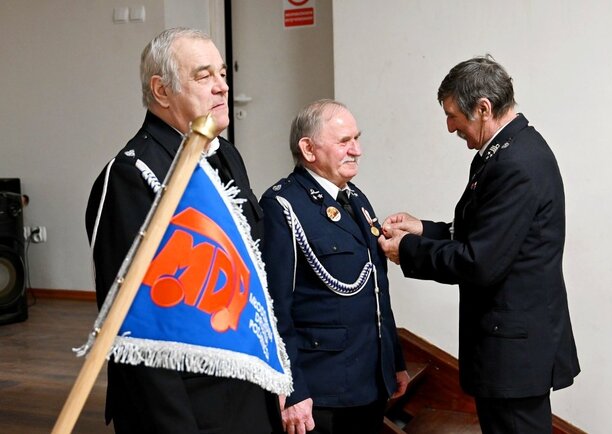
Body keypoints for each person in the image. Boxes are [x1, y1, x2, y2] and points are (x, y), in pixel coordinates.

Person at [85, 27, 281, 434]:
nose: (222, 86)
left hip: (246, 385)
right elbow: (135, 325)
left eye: (222, 73)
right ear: (162, 91)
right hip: (191, 406)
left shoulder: (226, 155)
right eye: (203, 76)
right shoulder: (132, 175)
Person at [378, 55, 580, 433]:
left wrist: (406, 251)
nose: (450, 126)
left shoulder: (516, 162)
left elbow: (479, 261)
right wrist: (423, 229)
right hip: (511, 346)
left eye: (453, 115)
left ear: (483, 108)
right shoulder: (506, 149)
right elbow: (485, 231)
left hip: (514, 351)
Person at [260, 99, 408, 434]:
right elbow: (273, 308)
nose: (357, 150)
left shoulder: (355, 198)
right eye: (344, 142)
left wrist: (394, 361)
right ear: (308, 149)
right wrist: (291, 389)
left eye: (356, 139)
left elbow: (377, 290)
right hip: (322, 390)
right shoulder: (282, 205)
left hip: (370, 382)